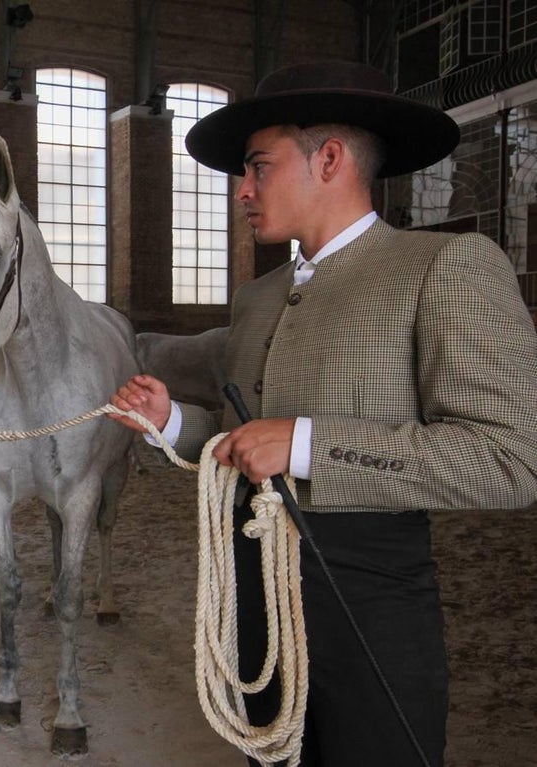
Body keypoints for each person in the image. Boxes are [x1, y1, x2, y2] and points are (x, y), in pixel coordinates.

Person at [109, 60, 537, 766]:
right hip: (258, 612)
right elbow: (245, 439)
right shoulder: (258, 298)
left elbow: (510, 459)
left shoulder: (445, 267)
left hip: (370, 613)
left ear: (330, 158)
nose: (242, 190)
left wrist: (307, 445)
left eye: (258, 166)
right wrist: (174, 424)